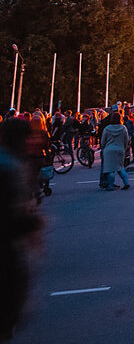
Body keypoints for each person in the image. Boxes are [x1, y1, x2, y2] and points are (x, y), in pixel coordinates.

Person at [0, 117, 41, 341]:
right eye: (29, 137)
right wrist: (32, 224)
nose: (34, 141)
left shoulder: (12, 164)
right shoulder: (11, 167)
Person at [99, 111, 131, 191]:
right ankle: (126, 183)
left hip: (108, 150)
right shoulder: (123, 128)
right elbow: (126, 140)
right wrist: (124, 148)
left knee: (110, 170)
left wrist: (103, 148)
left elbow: (103, 141)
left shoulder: (107, 129)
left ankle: (110, 186)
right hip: (120, 149)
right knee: (121, 168)